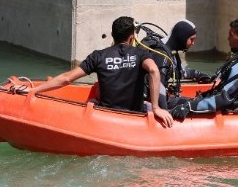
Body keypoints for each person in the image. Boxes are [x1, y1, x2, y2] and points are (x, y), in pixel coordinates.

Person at [27, 16, 173, 128]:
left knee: (91, 100)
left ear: (112, 35)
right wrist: (156, 107)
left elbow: (66, 78)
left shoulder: (98, 56)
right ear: (132, 37)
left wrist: (34, 90)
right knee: (150, 104)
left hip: (105, 116)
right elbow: (154, 70)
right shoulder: (141, 54)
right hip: (134, 116)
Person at [169, 18, 238, 119]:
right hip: (230, 103)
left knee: (173, 104)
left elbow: (223, 98)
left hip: (229, 109)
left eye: (231, 35)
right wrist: (195, 74)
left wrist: (189, 106)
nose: (228, 38)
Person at [138, 19, 211, 109]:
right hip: (152, 102)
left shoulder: (170, 50)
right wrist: (166, 112)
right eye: (191, 39)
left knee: (197, 101)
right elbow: (159, 87)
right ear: (182, 37)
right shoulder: (162, 55)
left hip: (163, 97)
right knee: (196, 105)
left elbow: (177, 72)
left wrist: (197, 74)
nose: (193, 43)